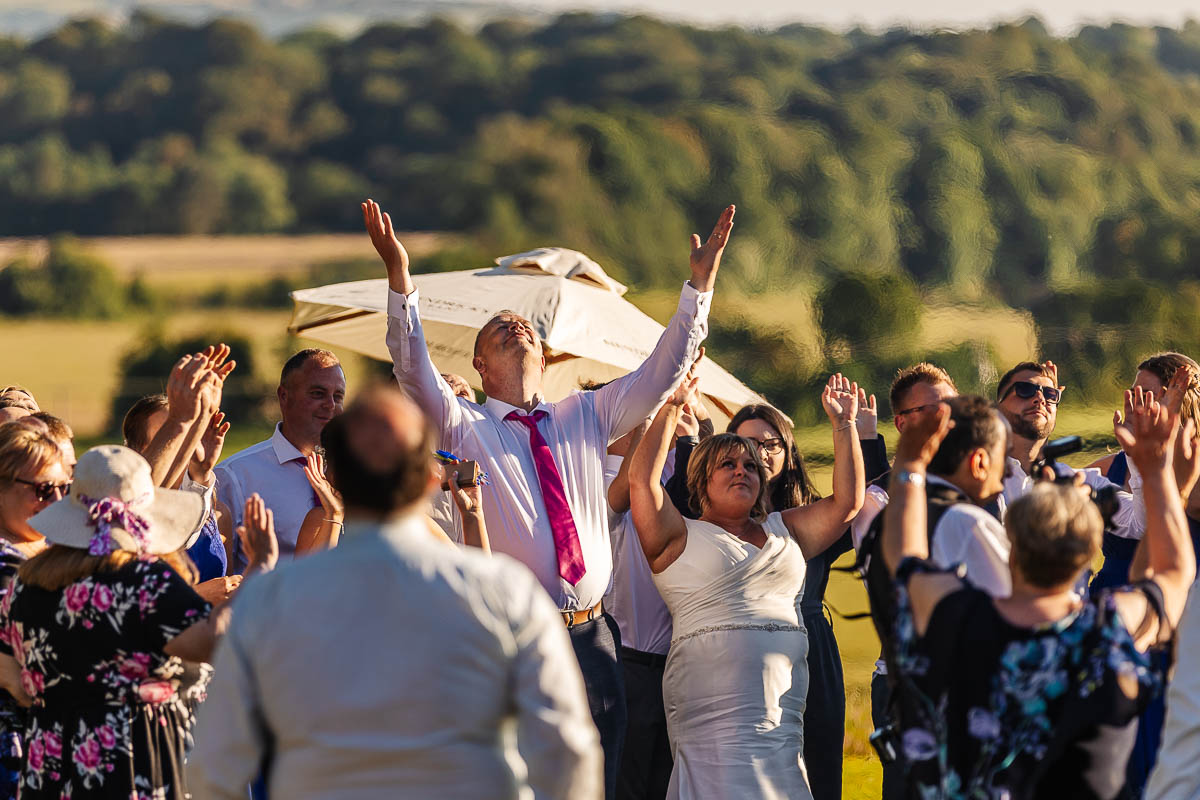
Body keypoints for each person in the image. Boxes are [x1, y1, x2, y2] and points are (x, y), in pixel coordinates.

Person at [366, 197, 734, 796]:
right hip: (518, 637)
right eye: (497, 329)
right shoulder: (465, 426)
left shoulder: (586, 413)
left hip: (594, 634)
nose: (516, 325)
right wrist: (400, 277)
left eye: (526, 328)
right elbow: (412, 367)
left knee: (602, 782)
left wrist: (699, 286)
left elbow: (663, 370)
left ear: (544, 355)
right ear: (481, 365)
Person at [189, 386, 603, 800]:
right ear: (428, 479)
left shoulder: (271, 601)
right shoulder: (507, 592)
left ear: (334, 477)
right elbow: (566, 749)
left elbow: (215, 763)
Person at [878, 385, 1197, 798]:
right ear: (1088, 556)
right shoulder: (1108, 630)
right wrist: (1158, 472)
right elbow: (1174, 572)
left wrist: (911, 463)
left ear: (1011, 547)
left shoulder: (957, 617)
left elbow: (904, 556)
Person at [628, 374, 863, 798]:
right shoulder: (677, 536)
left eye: (752, 466)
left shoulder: (785, 530)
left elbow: (847, 504)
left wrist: (844, 425)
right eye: (729, 464)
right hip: (710, 720)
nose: (743, 471)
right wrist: (670, 407)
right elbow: (641, 483)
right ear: (701, 480)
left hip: (782, 715)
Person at [0, 443, 277, 800]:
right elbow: (213, 640)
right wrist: (260, 567)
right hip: (130, 770)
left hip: (49, 771)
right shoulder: (143, 580)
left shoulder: (28, 582)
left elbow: (13, 677)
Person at [727, 393, 855, 800]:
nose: (759, 454)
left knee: (818, 772)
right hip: (743, 652)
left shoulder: (815, 516)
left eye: (770, 444)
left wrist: (853, 429)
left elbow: (860, 500)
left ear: (788, 452)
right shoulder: (711, 522)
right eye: (747, 444)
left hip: (811, 645)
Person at [851, 362, 957, 800]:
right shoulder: (875, 502)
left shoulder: (984, 487)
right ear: (903, 422)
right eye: (934, 407)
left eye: (954, 405)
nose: (948, 416)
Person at [215, 348, 346, 572]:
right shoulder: (235, 476)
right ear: (284, 396)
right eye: (318, 393)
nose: (330, 405)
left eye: (338, 396)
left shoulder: (356, 473)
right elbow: (220, 575)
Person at [0, 423, 69, 798]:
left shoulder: (43, 552)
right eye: (44, 489)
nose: (58, 500)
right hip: (19, 756)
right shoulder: (7, 567)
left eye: (65, 488)